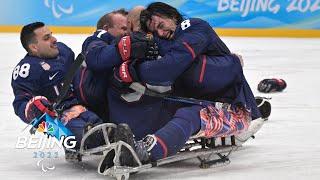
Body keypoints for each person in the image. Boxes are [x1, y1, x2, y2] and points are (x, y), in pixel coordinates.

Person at [98, 5, 260, 171]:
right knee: (158, 105)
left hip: (233, 110)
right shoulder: (166, 40)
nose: (160, 33)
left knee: (189, 114)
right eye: (156, 31)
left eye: (161, 25)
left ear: (173, 16)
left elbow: (167, 69)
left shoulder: (194, 27)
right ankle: (132, 140)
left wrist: (133, 70)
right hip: (198, 101)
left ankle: (145, 152)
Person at [11, 22, 104, 150]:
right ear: (34, 47)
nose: (54, 40)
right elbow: (21, 102)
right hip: (60, 117)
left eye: (51, 35)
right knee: (84, 136)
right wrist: (30, 111)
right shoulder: (27, 70)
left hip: (85, 104)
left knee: (106, 123)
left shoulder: (64, 51)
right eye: (46, 38)